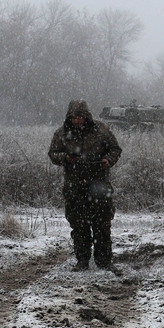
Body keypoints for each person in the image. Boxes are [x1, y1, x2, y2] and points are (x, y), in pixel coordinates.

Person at [48, 100, 122, 273]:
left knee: (102, 224)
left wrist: (107, 161)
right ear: (69, 117)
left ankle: (104, 262)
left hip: (99, 184)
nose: (77, 121)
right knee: (79, 226)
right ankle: (82, 261)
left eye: (80, 117)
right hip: (75, 186)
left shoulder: (102, 130)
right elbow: (53, 154)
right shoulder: (62, 133)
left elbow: (115, 149)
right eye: (74, 118)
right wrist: (66, 158)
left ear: (86, 116)